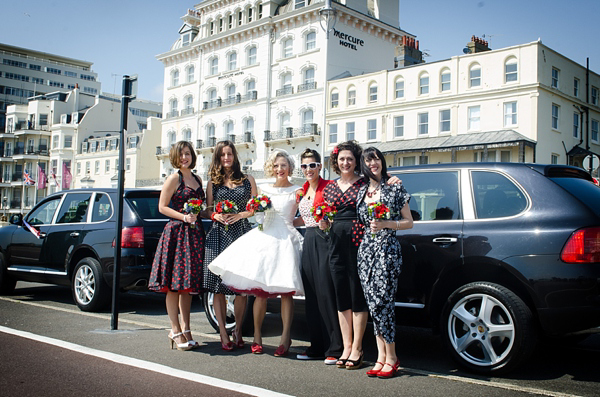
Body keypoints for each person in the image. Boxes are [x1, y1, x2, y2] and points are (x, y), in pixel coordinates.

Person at [208, 150, 303, 357]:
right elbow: (254, 211)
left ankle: (285, 338)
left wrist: (291, 224)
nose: (280, 169)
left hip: (286, 240)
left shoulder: (299, 190)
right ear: (271, 167)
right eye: (276, 165)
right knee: (260, 292)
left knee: (286, 292)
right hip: (265, 238)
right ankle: (257, 337)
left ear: (290, 168)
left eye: (284, 165)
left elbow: (306, 214)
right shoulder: (263, 189)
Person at [357, 147, 413, 378]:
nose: (373, 163)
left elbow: (409, 222)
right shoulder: (362, 190)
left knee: (384, 303)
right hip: (366, 252)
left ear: (382, 161)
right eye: (369, 160)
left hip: (387, 251)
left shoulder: (394, 186)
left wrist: (388, 224)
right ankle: (380, 357)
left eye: (376, 159)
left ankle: (392, 356)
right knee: (373, 305)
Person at [149, 141, 205, 351]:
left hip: (194, 234)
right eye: (181, 154)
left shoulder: (198, 179)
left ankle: (187, 328)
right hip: (176, 234)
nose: (185, 158)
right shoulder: (174, 178)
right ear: (175, 157)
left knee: (187, 286)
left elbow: (202, 208)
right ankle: (175, 329)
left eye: (188, 154)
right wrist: (184, 216)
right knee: (173, 285)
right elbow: (162, 207)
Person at [204, 140, 257, 351]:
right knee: (218, 287)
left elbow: (254, 207)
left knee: (240, 288)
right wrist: (215, 214)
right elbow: (206, 210)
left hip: (241, 234)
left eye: (229, 154)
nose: (226, 158)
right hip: (218, 235)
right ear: (217, 158)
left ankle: (238, 330)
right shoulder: (212, 183)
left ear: (234, 156)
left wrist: (241, 214)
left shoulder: (247, 179)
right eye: (222, 155)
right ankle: (224, 333)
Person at [293, 148, 342, 365]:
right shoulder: (303, 190)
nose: (308, 169)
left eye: (312, 165)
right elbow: (303, 219)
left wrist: (328, 223)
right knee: (311, 296)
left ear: (319, 167)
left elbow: (336, 213)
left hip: (324, 239)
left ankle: (335, 348)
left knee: (326, 294)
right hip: (309, 239)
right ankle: (316, 346)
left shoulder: (329, 187)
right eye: (304, 166)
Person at [321, 140, 368, 369]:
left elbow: (385, 185)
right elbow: (326, 216)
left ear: (356, 161)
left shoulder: (365, 183)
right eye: (342, 159)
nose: (346, 162)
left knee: (357, 293)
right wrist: (323, 223)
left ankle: (358, 347)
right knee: (341, 295)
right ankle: (346, 346)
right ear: (336, 162)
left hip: (359, 241)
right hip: (335, 242)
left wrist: (393, 179)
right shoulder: (330, 186)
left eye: (350, 159)